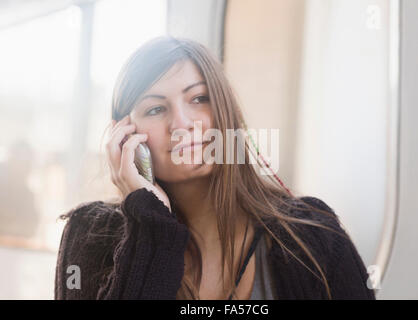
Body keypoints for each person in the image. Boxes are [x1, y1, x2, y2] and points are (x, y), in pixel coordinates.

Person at [54, 36, 376, 300]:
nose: (182, 124)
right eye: (155, 108)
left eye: (198, 99)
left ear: (226, 111)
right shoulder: (90, 236)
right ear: (123, 135)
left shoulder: (313, 233)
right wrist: (150, 225)